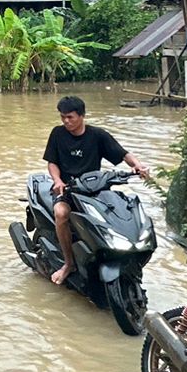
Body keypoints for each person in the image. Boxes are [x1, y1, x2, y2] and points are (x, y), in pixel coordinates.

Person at [42, 94, 153, 286]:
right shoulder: (58, 134)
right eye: (63, 117)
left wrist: (138, 166)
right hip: (67, 190)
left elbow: (123, 154)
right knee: (61, 213)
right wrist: (57, 181)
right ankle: (69, 264)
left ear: (82, 115)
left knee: (119, 211)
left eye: (70, 117)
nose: (66, 121)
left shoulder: (97, 135)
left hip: (94, 189)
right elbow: (52, 162)